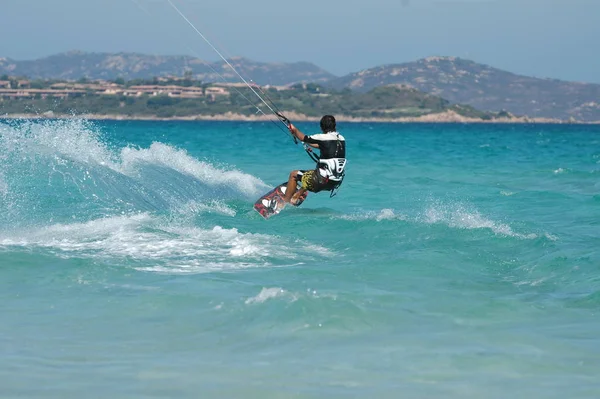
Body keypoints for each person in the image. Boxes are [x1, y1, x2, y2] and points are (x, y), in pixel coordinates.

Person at [282, 115, 347, 204]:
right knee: (312, 174)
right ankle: (299, 192)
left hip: (321, 181)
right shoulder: (341, 139)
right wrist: (303, 140)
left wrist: (294, 129)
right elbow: (322, 146)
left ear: (321, 127)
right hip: (334, 183)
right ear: (334, 126)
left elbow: (303, 138)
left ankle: (285, 202)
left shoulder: (322, 137)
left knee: (294, 174)